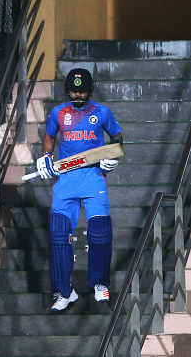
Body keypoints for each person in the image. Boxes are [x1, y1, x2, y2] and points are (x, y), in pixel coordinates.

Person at [38, 68, 123, 312]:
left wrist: (111, 157)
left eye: (82, 91)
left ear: (90, 90)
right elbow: (49, 136)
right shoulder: (58, 112)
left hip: (93, 177)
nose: (78, 95)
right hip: (66, 179)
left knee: (100, 232)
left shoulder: (102, 112)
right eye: (74, 91)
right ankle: (64, 292)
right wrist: (46, 156)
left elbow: (117, 138)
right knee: (58, 235)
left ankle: (99, 283)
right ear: (67, 91)